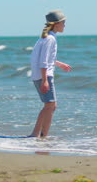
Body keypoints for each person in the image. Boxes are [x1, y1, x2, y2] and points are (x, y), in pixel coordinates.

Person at [29, 10, 71, 138]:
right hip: (44, 75)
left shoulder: (46, 37)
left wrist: (59, 64)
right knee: (50, 105)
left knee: (51, 106)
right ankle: (42, 136)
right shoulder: (50, 38)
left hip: (41, 75)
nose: (64, 25)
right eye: (63, 23)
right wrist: (45, 80)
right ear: (56, 24)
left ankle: (36, 134)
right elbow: (43, 61)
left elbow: (46, 58)